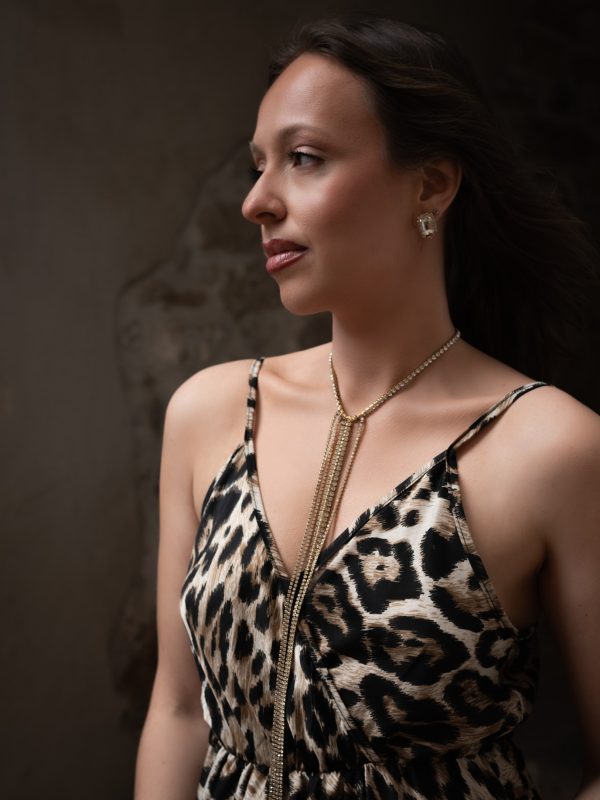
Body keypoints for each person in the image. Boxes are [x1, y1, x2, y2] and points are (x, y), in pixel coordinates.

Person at [134, 15, 600, 800]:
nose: (256, 202)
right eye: (258, 165)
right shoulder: (210, 412)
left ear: (432, 184)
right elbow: (179, 712)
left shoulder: (553, 448)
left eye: (304, 158)